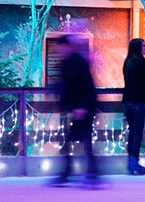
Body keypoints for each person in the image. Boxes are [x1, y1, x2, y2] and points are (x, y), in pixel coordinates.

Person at [51, 34, 101, 188]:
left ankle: (86, 173)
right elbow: (66, 87)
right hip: (77, 108)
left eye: (60, 48)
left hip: (84, 108)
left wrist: (81, 107)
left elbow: (86, 87)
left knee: (82, 140)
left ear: (67, 47)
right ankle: (85, 172)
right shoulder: (66, 63)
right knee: (78, 140)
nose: (59, 52)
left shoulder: (77, 63)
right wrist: (65, 104)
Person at [122, 38, 145, 175]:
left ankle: (131, 161)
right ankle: (134, 162)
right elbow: (144, 83)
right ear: (139, 48)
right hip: (138, 101)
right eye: (144, 46)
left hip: (128, 100)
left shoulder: (128, 62)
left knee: (132, 131)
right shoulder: (141, 62)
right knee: (138, 132)